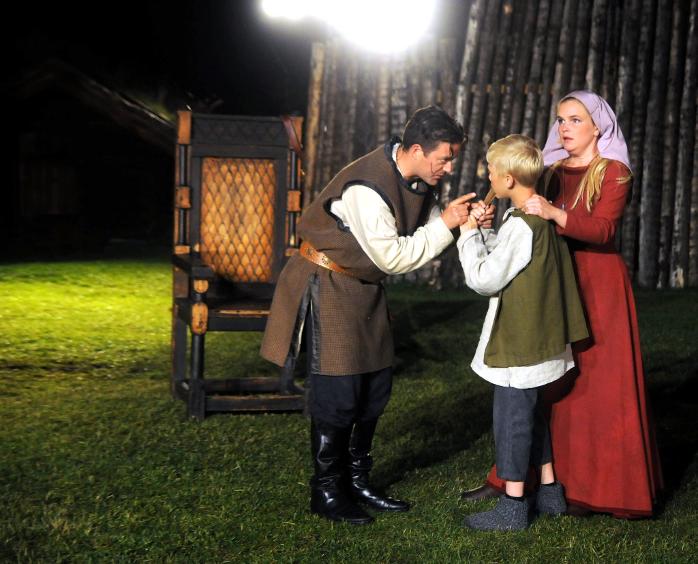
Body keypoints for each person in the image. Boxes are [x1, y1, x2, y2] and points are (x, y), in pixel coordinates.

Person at [261, 106, 488, 525]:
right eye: (445, 158)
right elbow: (394, 257)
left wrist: (462, 222)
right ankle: (327, 490)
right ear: (416, 150)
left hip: (364, 287)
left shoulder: (417, 178)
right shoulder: (367, 189)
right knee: (339, 393)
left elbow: (428, 223)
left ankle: (357, 481)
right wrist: (447, 224)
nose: (450, 167)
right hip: (331, 284)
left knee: (373, 389)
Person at [462, 90, 664, 518]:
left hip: (596, 283)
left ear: (597, 127)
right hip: (549, 278)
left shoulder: (613, 172)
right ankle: (528, 480)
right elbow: (527, 222)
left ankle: (601, 488)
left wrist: (556, 214)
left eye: (575, 120)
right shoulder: (551, 171)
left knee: (595, 385)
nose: (564, 128)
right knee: (544, 380)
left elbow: (604, 230)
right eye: (560, 120)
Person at [457, 134, 588, 530]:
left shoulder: (521, 225)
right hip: (541, 339)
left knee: (512, 419)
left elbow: (485, 279)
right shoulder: (535, 215)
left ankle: (513, 507)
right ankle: (549, 493)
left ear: (509, 179)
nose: (489, 177)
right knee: (532, 415)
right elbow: (513, 259)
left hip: (521, 344)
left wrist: (468, 235)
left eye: (492, 171)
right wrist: (486, 233)